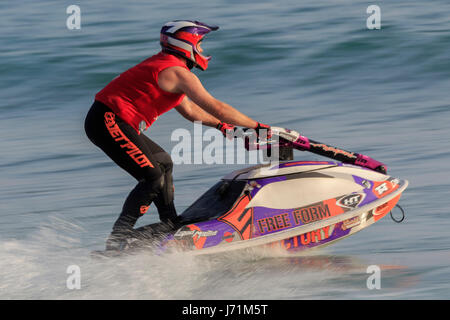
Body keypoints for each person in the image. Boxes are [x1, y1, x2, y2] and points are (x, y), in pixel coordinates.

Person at [84, 20, 271, 251]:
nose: (202, 51)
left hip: (112, 121)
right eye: (200, 44)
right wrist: (259, 126)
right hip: (108, 120)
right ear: (187, 45)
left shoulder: (169, 68)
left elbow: (191, 111)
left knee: (163, 162)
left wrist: (223, 128)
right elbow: (217, 108)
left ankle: (169, 223)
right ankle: (117, 239)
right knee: (151, 176)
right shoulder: (176, 72)